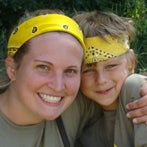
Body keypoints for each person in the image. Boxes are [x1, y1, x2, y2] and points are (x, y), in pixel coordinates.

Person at [0, 9, 147, 147]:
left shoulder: (73, 102)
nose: (58, 87)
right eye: (43, 67)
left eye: (70, 70)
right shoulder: (67, 103)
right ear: (12, 69)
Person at [73, 11, 147, 147]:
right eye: (88, 70)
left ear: (131, 63)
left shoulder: (139, 93)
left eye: (111, 66)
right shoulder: (78, 112)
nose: (101, 80)